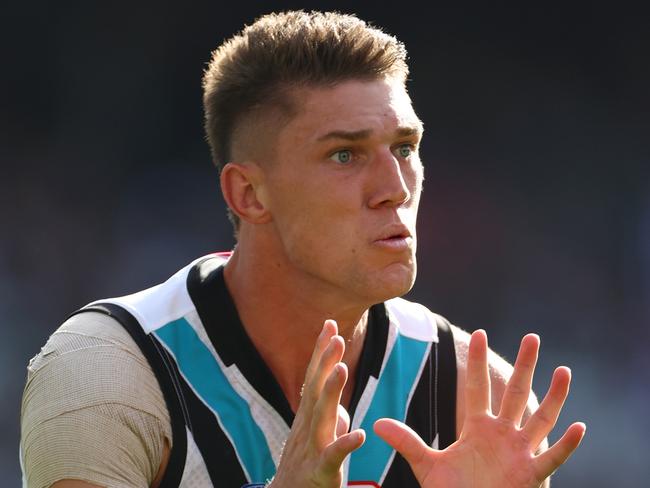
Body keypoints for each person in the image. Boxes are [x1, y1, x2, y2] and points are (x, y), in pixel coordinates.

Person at [20, 10, 585, 488]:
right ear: (249, 193)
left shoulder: (471, 394)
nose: (395, 187)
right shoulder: (104, 375)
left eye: (405, 147)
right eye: (345, 155)